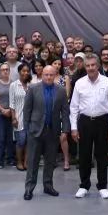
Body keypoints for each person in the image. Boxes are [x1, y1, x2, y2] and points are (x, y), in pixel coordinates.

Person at [70, 53, 108, 199]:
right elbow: (74, 107)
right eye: (88, 65)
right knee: (84, 155)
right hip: (84, 122)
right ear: (85, 67)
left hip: (102, 122)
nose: (90, 68)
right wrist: (74, 128)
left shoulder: (107, 82)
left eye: (93, 65)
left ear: (98, 66)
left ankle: (102, 186)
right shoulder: (79, 83)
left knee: (102, 155)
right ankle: (84, 185)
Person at [22, 65, 70, 200]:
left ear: (55, 75)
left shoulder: (61, 91)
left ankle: (48, 186)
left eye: (51, 75)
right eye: (46, 75)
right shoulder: (33, 89)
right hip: (35, 131)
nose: (48, 77)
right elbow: (27, 110)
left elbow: (65, 112)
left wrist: (65, 130)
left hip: (52, 131)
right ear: (42, 75)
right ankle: (29, 188)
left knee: (50, 161)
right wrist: (27, 129)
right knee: (32, 161)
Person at [9, 63, 32, 171]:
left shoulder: (31, 85)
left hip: (31, 118)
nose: (25, 73)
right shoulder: (14, 85)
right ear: (19, 72)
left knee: (28, 141)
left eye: (27, 71)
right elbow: (12, 103)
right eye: (23, 71)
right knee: (21, 141)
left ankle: (26, 162)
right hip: (18, 117)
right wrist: (13, 118)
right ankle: (19, 162)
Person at [0, 63, 15, 169]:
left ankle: (10, 158)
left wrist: (10, 110)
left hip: (11, 114)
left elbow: (15, 98)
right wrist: (3, 110)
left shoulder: (13, 83)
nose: (5, 71)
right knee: (1, 137)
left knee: (10, 137)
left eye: (7, 69)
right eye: (3, 70)